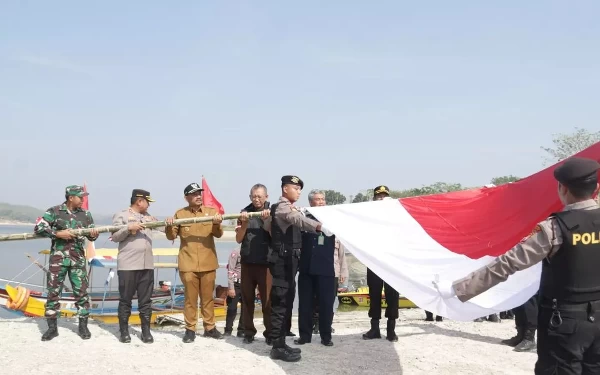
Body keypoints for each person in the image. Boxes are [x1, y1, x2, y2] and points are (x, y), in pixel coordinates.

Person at [434, 157, 600, 374]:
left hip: (564, 322)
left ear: (563, 189)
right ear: (596, 188)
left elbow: (507, 264)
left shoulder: (555, 228)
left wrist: (457, 289)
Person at [262, 175, 325, 362]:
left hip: (290, 263)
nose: (298, 192)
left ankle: (281, 343)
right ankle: (277, 346)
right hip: (282, 262)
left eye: (299, 189)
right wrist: (319, 226)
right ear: (285, 189)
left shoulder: (288, 207)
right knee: (280, 302)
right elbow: (296, 219)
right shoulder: (283, 207)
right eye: (295, 188)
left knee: (287, 301)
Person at [33, 185, 99, 341]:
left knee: (81, 293)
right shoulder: (54, 212)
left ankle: (83, 327)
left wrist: (94, 235)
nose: (83, 200)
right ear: (71, 197)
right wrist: (57, 233)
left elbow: (91, 235)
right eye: (80, 197)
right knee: (53, 293)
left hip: (77, 260)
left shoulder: (85, 214)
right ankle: (52, 328)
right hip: (58, 259)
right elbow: (39, 228)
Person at [165, 182, 224, 343]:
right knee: (190, 299)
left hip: (208, 262)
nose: (198, 196)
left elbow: (218, 234)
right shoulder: (180, 214)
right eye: (194, 194)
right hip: (188, 262)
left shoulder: (212, 212)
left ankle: (209, 328)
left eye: (200, 193)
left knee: (208, 298)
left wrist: (217, 224)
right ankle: (190, 329)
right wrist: (169, 226)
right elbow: (171, 237)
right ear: (187, 197)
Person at [110, 189, 157, 344]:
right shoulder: (122, 215)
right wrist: (129, 229)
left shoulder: (149, 217)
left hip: (147, 264)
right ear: (139, 201)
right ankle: (124, 331)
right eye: (147, 202)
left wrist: (169, 223)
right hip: (128, 265)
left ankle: (146, 332)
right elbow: (115, 236)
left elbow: (165, 229)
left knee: (146, 300)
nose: (149, 205)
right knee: (126, 299)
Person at [295, 189, 337, 347]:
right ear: (311, 202)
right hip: (306, 268)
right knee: (305, 304)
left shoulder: (332, 218)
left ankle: (326, 336)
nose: (321, 202)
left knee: (326, 304)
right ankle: (304, 336)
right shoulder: (304, 217)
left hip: (325, 268)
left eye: (322, 199)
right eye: (317, 199)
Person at [235, 183, 273, 344]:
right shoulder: (245, 212)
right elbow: (238, 239)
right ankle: (248, 331)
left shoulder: (273, 211)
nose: (256, 199)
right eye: (253, 196)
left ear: (266, 197)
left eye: (259, 196)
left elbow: (275, 235)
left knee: (267, 301)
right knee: (247, 299)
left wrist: (267, 220)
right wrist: (244, 223)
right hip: (247, 262)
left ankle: (270, 333)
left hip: (266, 263)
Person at [362, 185, 400, 342]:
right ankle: (375, 328)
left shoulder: (396, 216)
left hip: (392, 263)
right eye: (379, 196)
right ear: (374, 198)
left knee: (392, 296)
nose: (382, 198)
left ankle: (391, 330)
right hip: (374, 262)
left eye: (385, 196)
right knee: (374, 295)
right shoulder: (368, 217)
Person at [314, 236, 349, 334]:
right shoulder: (318, 233)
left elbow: (342, 256)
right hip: (319, 270)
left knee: (330, 300)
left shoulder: (338, 236)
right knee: (317, 298)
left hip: (334, 272)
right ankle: (316, 324)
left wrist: (343, 273)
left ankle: (328, 324)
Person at [224, 246, 244, 337]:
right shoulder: (236, 252)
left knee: (246, 309)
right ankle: (228, 330)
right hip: (236, 284)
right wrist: (231, 287)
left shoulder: (252, 252)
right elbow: (230, 270)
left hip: (247, 284)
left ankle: (241, 330)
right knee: (232, 308)